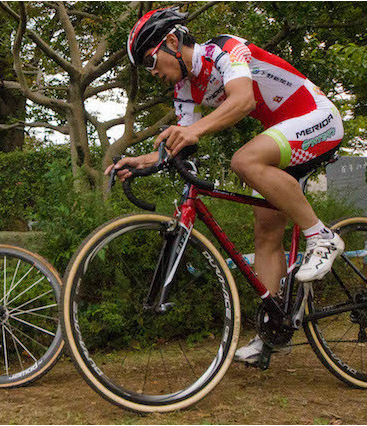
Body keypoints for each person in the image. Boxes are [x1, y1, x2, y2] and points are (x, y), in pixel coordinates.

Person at [109, 7, 345, 364]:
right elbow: (181, 143)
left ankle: (321, 237)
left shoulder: (224, 50)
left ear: (171, 42)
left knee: (244, 161)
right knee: (266, 234)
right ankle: (273, 332)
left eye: (149, 60)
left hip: (315, 116)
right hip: (284, 136)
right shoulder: (185, 89)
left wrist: (192, 130)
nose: (152, 72)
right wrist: (139, 161)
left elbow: (243, 100)